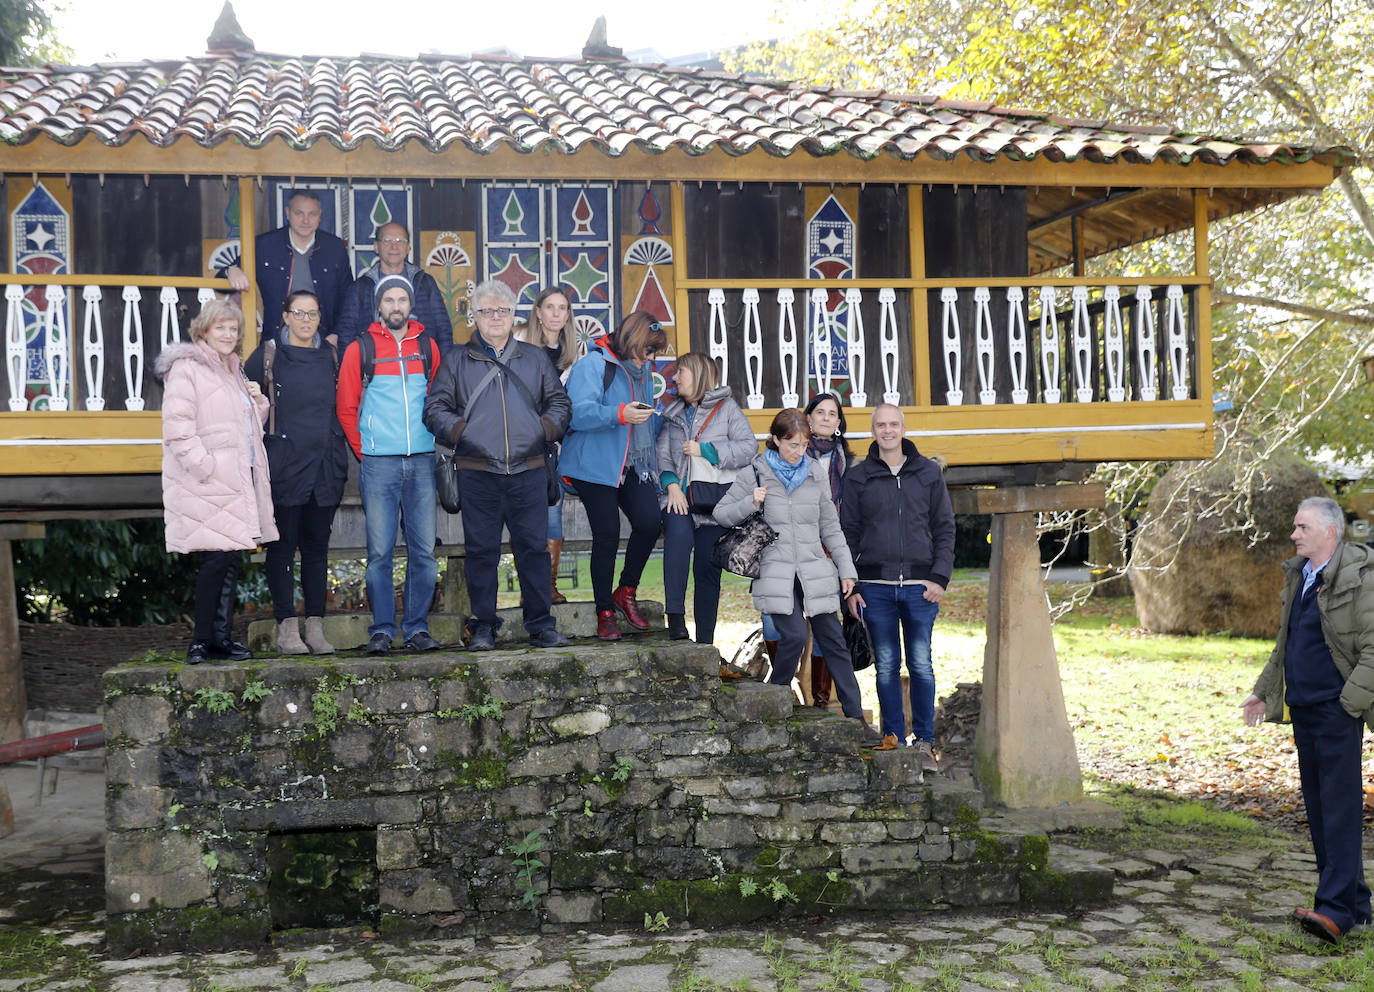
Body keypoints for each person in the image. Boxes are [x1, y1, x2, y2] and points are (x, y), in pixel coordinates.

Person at [1243, 496, 1374, 944]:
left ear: (1330, 532)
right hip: (1305, 709)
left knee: (1338, 810)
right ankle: (1354, 902)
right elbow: (1287, 642)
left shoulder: (1361, 578)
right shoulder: (1301, 574)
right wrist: (1264, 692)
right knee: (1320, 811)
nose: (1294, 535)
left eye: (1302, 527)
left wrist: (1346, 704)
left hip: (1338, 711)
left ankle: (1334, 910)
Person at [423, 280, 572, 650]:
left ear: (513, 314)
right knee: (481, 552)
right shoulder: (457, 360)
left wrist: (542, 429)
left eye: (502, 310)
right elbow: (434, 409)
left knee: (534, 551)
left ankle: (541, 625)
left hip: (530, 470)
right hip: (478, 473)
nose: (495, 318)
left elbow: (560, 404)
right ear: (474, 316)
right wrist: (463, 431)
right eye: (486, 311)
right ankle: (484, 626)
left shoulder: (535, 359)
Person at [713, 409, 877, 743]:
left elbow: (831, 528)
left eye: (803, 444)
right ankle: (777, 692)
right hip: (777, 572)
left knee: (835, 643)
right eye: (792, 444)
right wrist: (750, 501)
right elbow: (720, 513)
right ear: (775, 439)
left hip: (815, 570)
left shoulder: (815, 473)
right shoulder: (755, 473)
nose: (799, 451)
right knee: (794, 637)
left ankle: (856, 717)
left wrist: (848, 572)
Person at [155, 300, 277, 664]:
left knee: (228, 560)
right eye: (220, 327)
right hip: (208, 480)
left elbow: (242, 426)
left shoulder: (233, 370)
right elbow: (177, 429)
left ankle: (219, 637)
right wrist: (205, 466)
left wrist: (259, 404)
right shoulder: (187, 369)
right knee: (216, 561)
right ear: (204, 330)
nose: (228, 334)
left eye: (233, 329)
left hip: (235, 480)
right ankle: (201, 640)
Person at [840, 404, 955, 767]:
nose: (887, 430)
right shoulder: (858, 478)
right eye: (880, 425)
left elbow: (944, 528)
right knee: (886, 665)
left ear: (903, 428)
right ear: (872, 431)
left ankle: (924, 741)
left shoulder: (928, 473)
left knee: (921, 664)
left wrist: (939, 578)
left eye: (893, 424)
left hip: (921, 588)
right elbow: (848, 533)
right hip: (874, 587)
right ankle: (893, 738)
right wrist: (853, 586)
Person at [336, 273, 443, 655]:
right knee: (380, 552)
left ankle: (416, 628)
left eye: (402, 300)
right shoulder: (360, 349)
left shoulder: (427, 347)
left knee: (424, 553)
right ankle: (382, 630)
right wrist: (367, 452)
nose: (395, 307)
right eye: (389, 301)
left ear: (411, 306)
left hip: (422, 463)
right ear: (378, 307)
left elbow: (439, 401)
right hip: (378, 465)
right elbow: (346, 407)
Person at [243, 291, 349, 655]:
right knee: (282, 547)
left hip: (324, 464)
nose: (306, 320)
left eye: (313, 314)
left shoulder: (333, 355)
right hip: (286, 464)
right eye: (299, 313)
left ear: (320, 317)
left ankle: (316, 628)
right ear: (285, 316)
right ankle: (287, 628)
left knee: (317, 548)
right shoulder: (267, 356)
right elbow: (246, 405)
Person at [558, 311, 667, 641]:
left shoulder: (642, 369)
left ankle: (626, 591)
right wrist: (621, 414)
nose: (650, 358)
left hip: (633, 463)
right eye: (647, 350)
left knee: (650, 523)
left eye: (654, 353)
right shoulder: (593, 365)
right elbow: (577, 414)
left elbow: (642, 416)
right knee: (606, 534)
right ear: (632, 341)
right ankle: (604, 609)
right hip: (594, 464)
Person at [657, 352, 757, 647]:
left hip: (714, 503)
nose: (675, 378)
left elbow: (748, 447)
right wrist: (670, 483)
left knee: (706, 565)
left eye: (680, 372)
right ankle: (674, 617)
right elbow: (661, 453)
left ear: (697, 374)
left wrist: (708, 451)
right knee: (677, 538)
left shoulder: (727, 409)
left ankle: (705, 642)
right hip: (679, 499)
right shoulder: (673, 413)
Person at [515, 286, 579, 604]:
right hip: (523, 446)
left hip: (556, 449)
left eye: (562, 308)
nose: (556, 314)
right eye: (549, 307)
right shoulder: (519, 347)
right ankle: (531, 589)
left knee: (553, 513)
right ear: (537, 312)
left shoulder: (574, 355)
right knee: (527, 518)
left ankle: (547, 587)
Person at [222, 189, 350, 342]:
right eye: (299, 213)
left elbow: (347, 298)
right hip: (277, 340)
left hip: (322, 341)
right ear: (287, 213)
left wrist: (336, 334)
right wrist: (231, 270)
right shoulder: (265, 245)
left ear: (320, 215)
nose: (306, 220)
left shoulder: (334, 247)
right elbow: (220, 283)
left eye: (312, 214)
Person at [800, 392, 856, 709]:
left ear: (838, 423)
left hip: (830, 554)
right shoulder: (791, 454)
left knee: (826, 624)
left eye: (831, 413)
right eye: (819, 412)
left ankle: (820, 699)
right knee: (777, 619)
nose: (824, 417)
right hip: (794, 549)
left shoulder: (846, 463)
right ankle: (781, 688)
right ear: (808, 419)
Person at [336, 221, 454, 358]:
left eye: (400, 241)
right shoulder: (360, 287)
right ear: (376, 247)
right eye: (387, 241)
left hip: (420, 369)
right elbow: (346, 335)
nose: (394, 246)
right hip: (375, 370)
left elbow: (443, 331)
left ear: (408, 247)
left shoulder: (425, 282)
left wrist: (442, 373)